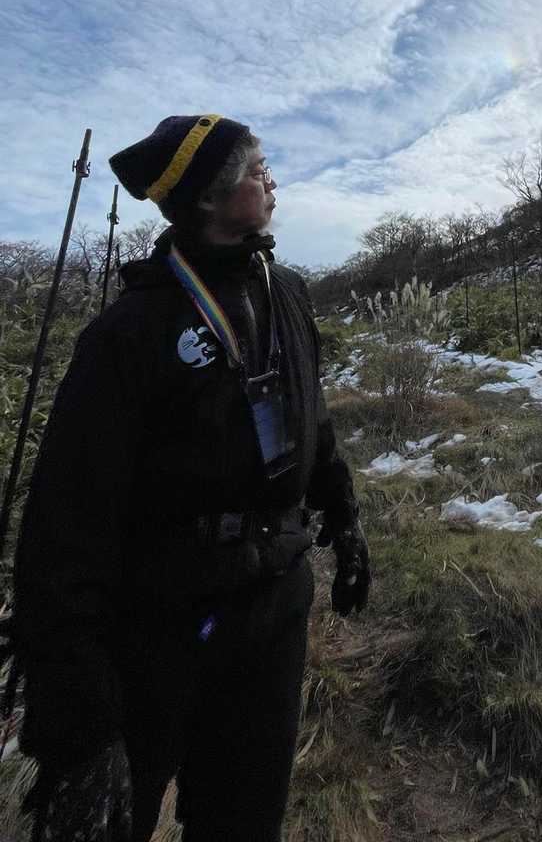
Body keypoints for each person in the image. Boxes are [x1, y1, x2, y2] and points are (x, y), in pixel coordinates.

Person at [14, 114, 369, 841]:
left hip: (276, 606)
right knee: (123, 813)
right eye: (257, 170)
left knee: (245, 819)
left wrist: (344, 515)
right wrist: (78, 723)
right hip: (161, 622)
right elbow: (66, 525)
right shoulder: (130, 332)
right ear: (209, 197)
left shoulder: (287, 291)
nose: (272, 179)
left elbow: (311, 415)